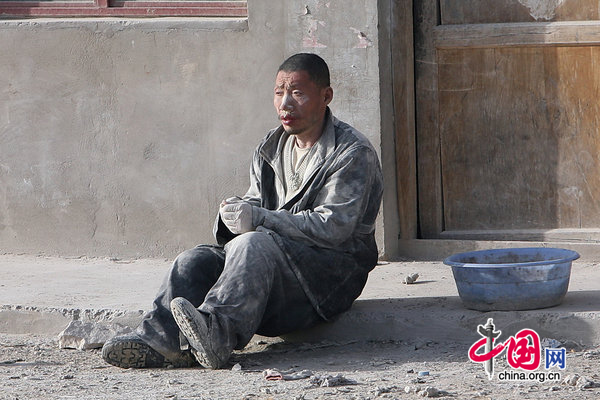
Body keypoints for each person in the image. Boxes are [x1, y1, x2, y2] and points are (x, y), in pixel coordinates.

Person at [101, 53, 384, 369]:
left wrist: (260, 219)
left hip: (325, 281)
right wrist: (235, 213)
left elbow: (333, 227)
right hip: (267, 272)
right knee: (193, 261)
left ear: (326, 96)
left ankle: (217, 336)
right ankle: (160, 339)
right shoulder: (271, 147)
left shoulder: (351, 153)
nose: (285, 104)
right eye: (279, 93)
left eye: (298, 93)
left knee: (253, 243)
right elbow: (256, 205)